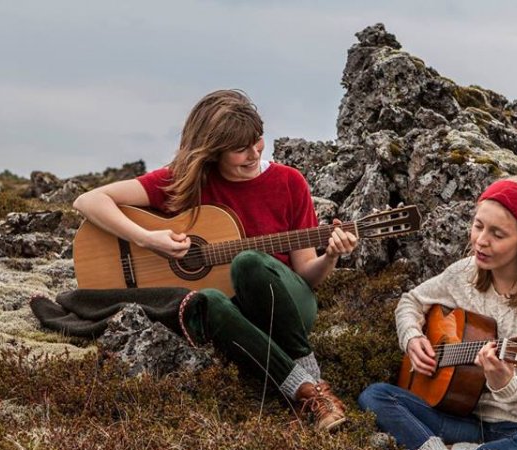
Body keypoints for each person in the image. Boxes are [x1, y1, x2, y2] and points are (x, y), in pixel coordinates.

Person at [72, 89, 358, 431]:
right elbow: (89, 200)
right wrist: (148, 238)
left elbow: (307, 276)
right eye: (240, 149)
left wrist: (331, 256)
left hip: (286, 303)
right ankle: (308, 392)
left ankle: (308, 380)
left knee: (249, 263)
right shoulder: (186, 181)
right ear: (212, 153)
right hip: (233, 313)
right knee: (206, 299)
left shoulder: (289, 182)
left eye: (257, 141)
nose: (254, 153)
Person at [358, 176, 517, 450]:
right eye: (478, 226)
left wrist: (507, 384)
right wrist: (413, 338)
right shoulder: (465, 272)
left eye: (497, 234)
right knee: (376, 395)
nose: (481, 240)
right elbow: (411, 301)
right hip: (468, 419)